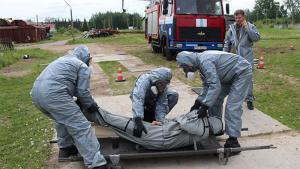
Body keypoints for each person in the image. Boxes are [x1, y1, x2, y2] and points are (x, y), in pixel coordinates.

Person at [30, 46, 107, 169]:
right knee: (81, 127)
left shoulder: (62, 60)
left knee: (62, 120)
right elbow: (82, 92)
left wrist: (80, 101)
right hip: (54, 95)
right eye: (89, 58)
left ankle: (66, 148)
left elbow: (67, 83)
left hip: (36, 95)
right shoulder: (82, 66)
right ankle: (96, 164)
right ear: (86, 57)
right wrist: (90, 105)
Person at [176, 50, 252, 153]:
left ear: (189, 63)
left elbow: (215, 86)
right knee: (215, 102)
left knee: (232, 106)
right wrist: (198, 103)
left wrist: (204, 106)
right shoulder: (201, 65)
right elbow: (207, 86)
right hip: (226, 75)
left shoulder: (205, 62)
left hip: (241, 72)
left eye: (185, 67)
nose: (186, 70)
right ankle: (217, 127)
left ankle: (234, 142)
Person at [84, 107, 223, 150]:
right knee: (119, 122)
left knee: (115, 121)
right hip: (160, 134)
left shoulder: (202, 130)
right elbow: (178, 123)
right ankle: (89, 112)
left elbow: (183, 121)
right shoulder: (202, 128)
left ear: (210, 124)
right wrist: (163, 123)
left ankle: (88, 109)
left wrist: (195, 113)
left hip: (158, 138)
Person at [223, 9, 260, 110]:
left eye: (239, 18)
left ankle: (249, 100)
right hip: (234, 57)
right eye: (236, 18)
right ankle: (237, 99)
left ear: (243, 17)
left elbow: (256, 38)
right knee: (235, 78)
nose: (238, 20)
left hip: (246, 57)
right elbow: (227, 43)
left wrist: (247, 28)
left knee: (248, 79)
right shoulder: (231, 28)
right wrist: (224, 55)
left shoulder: (250, 26)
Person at [130, 67, 179, 138]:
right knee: (150, 92)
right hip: (143, 100)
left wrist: (160, 120)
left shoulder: (163, 86)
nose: (163, 85)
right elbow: (138, 98)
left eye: (165, 83)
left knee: (174, 95)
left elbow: (162, 104)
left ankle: (154, 117)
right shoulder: (144, 80)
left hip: (152, 101)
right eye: (161, 83)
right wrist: (138, 120)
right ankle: (143, 114)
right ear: (155, 79)